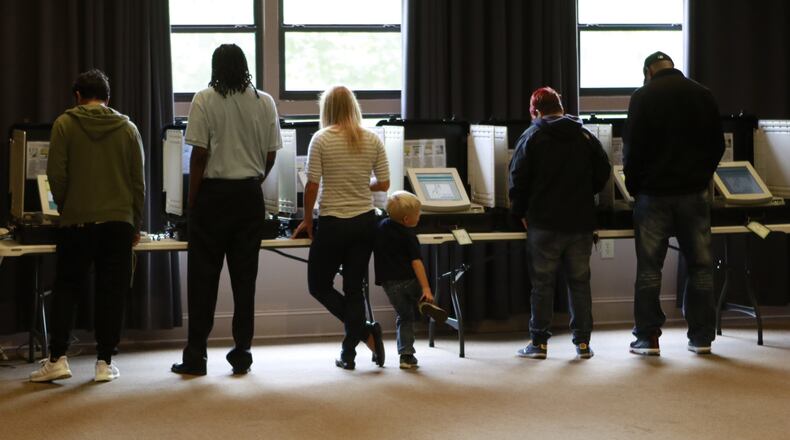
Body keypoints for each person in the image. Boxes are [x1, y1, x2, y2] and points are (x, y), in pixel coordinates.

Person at [171, 44, 282, 376]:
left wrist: (192, 201)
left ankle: (196, 357)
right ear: (245, 67)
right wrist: (254, 180)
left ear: (215, 67)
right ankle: (242, 353)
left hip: (213, 197)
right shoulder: (265, 101)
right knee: (245, 281)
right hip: (249, 196)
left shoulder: (204, 99)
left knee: (203, 280)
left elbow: (199, 156)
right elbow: (271, 155)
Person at [30, 69, 145, 382]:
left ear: (78, 96)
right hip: (119, 222)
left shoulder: (64, 124)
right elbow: (138, 183)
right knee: (112, 291)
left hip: (77, 222)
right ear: (108, 98)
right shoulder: (128, 129)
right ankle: (104, 363)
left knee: (67, 289)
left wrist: (67, 208)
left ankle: (57, 359)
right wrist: (135, 221)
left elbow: (57, 176)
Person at [623, 51, 724, 356]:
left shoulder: (642, 96)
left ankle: (648, 338)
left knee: (649, 270)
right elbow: (717, 145)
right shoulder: (703, 94)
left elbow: (632, 148)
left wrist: (634, 187)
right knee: (701, 267)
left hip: (653, 195)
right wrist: (701, 177)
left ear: (648, 72)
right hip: (693, 194)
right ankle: (701, 337)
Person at [508, 87, 611, 360]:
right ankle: (583, 344)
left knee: (542, 285)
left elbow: (517, 179)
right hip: (580, 221)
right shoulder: (585, 135)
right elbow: (604, 171)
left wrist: (520, 212)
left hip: (543, 222)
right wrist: (586, 193)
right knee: (579, 283)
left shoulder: (532, 136)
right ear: (561, 108)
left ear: (535, 111)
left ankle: (539, 343)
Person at [292, 85, 390, 370]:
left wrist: (307, 220)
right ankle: (350, 352)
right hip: (364, 223)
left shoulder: (321, 138)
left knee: (319, 286)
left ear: (327, 109)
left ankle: (364, 334)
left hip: (334, 223)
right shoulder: (372, 138)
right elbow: (384, 183)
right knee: (354, 289)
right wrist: (360, 184)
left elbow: (312, 186)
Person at [373, 191, 448, 369]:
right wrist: (426, 288)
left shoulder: (380, 226)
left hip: (389, 284)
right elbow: (417, 263)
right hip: (408, 280)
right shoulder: (409, 236)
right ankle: (424, 301)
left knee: (404, 316)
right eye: (417, 214)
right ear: (407, 220)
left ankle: (406, 356)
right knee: (420, 294)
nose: (419, 216)